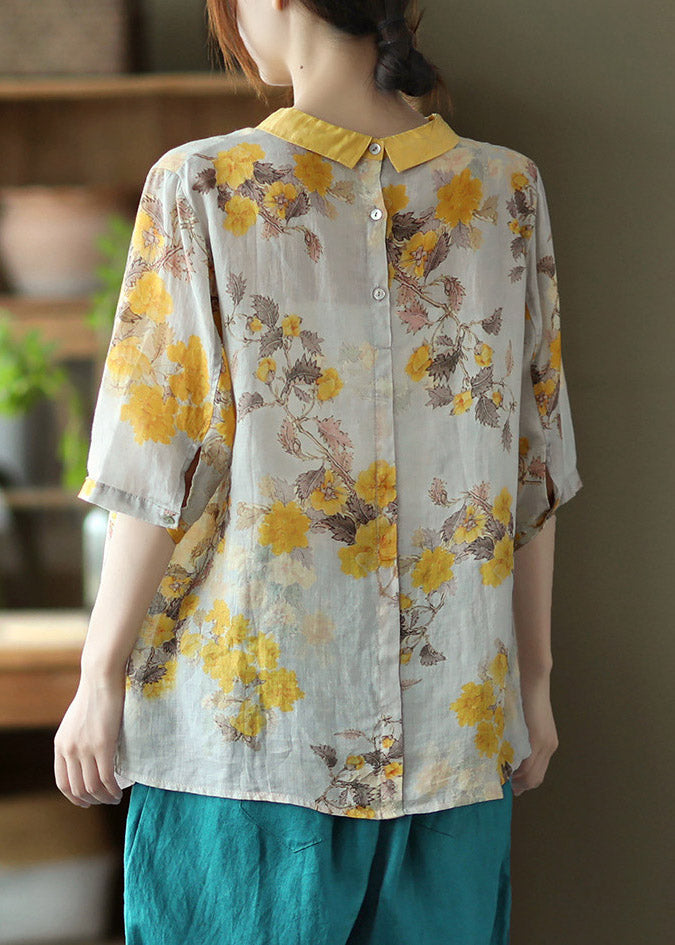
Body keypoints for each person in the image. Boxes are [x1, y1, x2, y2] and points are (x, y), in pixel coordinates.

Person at [54, 1, 583, 942]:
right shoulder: (506, 188)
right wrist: (531, 685)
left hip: (242, 744)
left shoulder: (201, 184)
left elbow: (152, 462)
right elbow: (529, 470)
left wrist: (99, 678)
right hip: (457, 736)